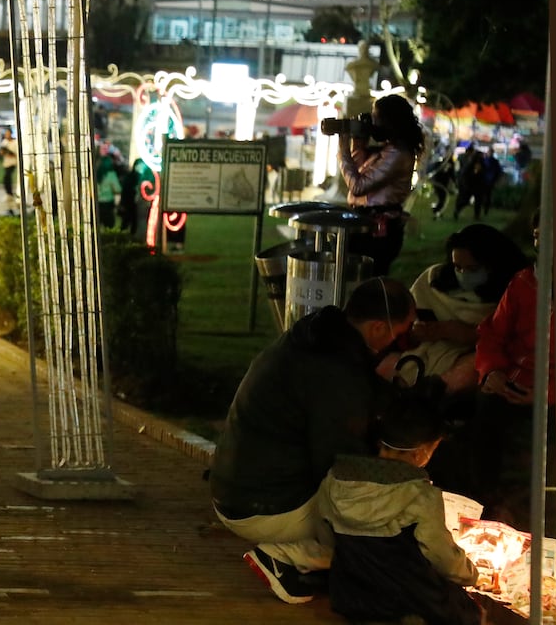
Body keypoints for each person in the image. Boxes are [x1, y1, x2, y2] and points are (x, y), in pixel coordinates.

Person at [209, 277, 416, 604]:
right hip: (262, 505)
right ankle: (288, 554)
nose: (400, 343)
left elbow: (360, 391)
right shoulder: (334, 370)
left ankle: (303, 556)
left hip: (239, 491)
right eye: (401, 334)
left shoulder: (318, 336)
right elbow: (344, 469)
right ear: (378, 327)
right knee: (386, 533)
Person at [317, 378, 483, 625]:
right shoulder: (420, 494)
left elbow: (324, 530)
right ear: (420, 452)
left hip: (350, 594)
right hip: (404, 596)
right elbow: (441, 555)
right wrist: (471, 575)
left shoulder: (336, 477)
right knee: (470, 613)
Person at [469, 211, 555, 525]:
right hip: (513, 382)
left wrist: (547, 394)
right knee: (485, 418)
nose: (543, 245)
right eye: (538, 237)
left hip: (550, 392)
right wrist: (492, 371)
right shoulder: (523, 284)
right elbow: (492, 333)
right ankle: (486, 506)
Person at [384, 224, 530, 394]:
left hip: (469, 360)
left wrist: (467, 334)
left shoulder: (511, 292)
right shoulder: (433, 280)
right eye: (457, 267)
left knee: (472, 368)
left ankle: (430, 393)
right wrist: (415, 334)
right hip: (420, 351)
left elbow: (507, 339)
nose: (463, 274)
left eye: (472, 269)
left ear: (493, 264)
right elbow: (404, 322)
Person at [338, 93, 425, 276]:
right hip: (366, 225)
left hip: (379, 231)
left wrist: (343, 151)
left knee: (370, 282)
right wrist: (358, 143)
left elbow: (358, 187)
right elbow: (359, 171)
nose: (373, 124)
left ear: (390, 121)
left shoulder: (398, 153)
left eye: (376, 118)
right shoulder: (387, 149)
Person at [453, 148, 489, 221]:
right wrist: (472, 175)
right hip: (471, 185)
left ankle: (476, 215)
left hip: (478, 185)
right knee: (466, 200)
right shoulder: (470, 164)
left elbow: (483, 173)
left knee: (478, 201)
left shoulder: (481, 164)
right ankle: (457, 210)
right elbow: (465, 174)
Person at [94, 154, 122, 229]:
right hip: (108, 203)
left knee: (96, 224)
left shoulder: (95, 174)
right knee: (108, 225)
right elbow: (118, 189)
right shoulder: (111, 174)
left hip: (96, 202)